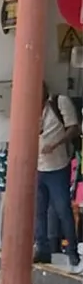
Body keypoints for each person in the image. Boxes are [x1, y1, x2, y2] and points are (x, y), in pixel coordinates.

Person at [36, 84, 82, 273]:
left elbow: (73, 128)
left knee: (63, 209)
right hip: (38, 166)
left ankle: (72, 253)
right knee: (39, 211)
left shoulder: (59, 102)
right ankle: (42, 248)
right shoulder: (32, 109)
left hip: (58, 165)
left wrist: (57, 144)